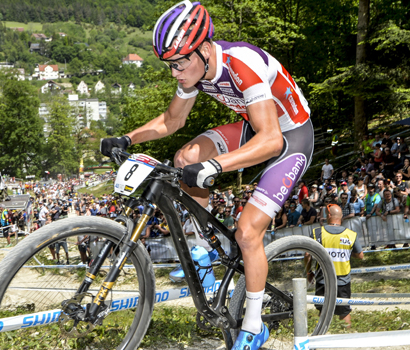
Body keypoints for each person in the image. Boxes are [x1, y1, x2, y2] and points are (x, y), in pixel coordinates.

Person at [100, 2, 315, 347]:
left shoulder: (241, 64)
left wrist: (215, 166)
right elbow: (172, 120)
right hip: (253, 127)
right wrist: (128, 138)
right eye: (169, 65)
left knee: (247, 233)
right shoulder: (195, 69)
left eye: (179, 63)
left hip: (290, 136)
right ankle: (206, 248)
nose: (175, 72)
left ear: (202, 48)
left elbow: (272, 140)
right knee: (185, 157)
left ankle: (254, 324)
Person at [308, 205, 363, 327]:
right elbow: (360, 256)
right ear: (341, 217)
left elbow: (308, 255)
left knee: (323, 310)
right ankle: (347, 336)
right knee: (344, 311)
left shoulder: (317, 233)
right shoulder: (351, 234)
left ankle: (321, 336)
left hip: (323, 279)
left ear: (328, 216)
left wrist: (308, 272)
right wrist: (347, 253)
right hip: (343, 281)